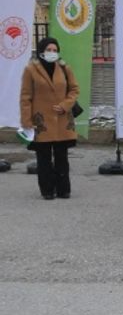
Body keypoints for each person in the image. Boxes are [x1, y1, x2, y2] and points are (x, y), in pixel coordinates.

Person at [19, 37, 80, 200]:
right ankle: (47, 190)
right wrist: (26, 121)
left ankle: (63, 189)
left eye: (55, 50)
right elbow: (25, 97)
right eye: (49, 50)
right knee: (43, 157)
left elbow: (74, 89)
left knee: (62, 156)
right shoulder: (31, 69)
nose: (52, 53)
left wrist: (66, 105)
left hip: (62, 120)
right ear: (41, 51)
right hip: (41, 121)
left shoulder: (64, 67)